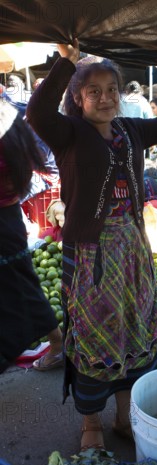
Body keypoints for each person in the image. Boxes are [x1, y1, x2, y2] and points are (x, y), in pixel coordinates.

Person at [26, 39, 157, 451]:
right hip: (92, 255)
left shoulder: (130, 129)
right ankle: (92, 424)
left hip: (134, 252)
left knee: (134, 330)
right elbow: (36, 111)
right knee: (94, 332)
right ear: (79, 98)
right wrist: (66, 61)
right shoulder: (69, 132)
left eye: (111, 90)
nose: (105, 98)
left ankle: (124, 416)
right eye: (94, 91)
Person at [0, 96, 62, 373]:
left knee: (23, 285)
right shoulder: (8, 115)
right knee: (24, 283)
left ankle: (57, 345)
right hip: (9, 217)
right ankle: (56, 343)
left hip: (5, 219)